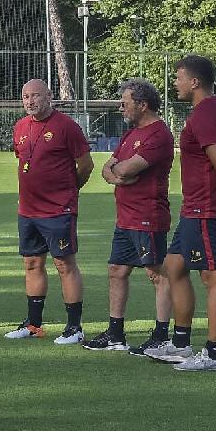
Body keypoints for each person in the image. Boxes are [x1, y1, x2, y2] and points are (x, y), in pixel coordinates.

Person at [144, 56, 216, 371]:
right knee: (174, 265)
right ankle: (180, 343)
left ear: (194, 82)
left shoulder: (205, 114)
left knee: (214, 278)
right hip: (195, 207)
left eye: (179, 77)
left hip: (206, 209)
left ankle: (215, 354)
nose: (176, 83)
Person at [86, 79, 176, 354]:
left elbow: (125, 169)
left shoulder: (158, 134)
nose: (120, 107)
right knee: (116, 270)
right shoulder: (130, 135)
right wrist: (118, 174)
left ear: (143, 104)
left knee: (156, 274)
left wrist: (119, 172)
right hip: (125, 217)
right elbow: (108, 168)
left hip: (148, 215)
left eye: (125, 103)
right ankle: (115, 334)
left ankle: (162, 335)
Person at [6, 78, 93, 344]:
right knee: (32, 263)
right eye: (25, 97)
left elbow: (86, 165)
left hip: (58, 210)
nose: (30, 101)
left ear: (49, 96)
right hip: (28, 210)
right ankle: (33, 325)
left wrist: (68, 191)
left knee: (64, 264)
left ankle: (74, 328)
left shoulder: (66, 127)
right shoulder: (20, 127)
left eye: (35, 96)